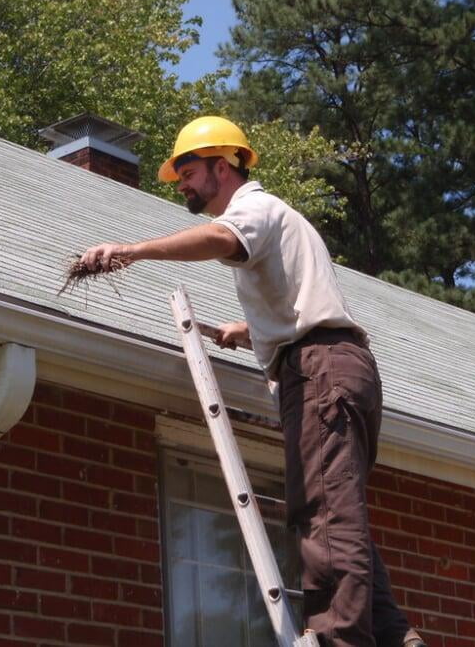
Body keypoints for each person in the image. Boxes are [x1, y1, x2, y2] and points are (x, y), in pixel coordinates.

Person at [80, 116, 426, 647]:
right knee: (340, 506)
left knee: (324, 510)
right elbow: (304, 303)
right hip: (335, 366)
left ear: (224, 165)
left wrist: (133, 250)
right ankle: (394, 633)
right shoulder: (282, 220)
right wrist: (248, 333)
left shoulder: (254, 209)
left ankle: (338, 637)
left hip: (319, 371)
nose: (184, 185)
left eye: (190, 172)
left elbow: (222, 239)